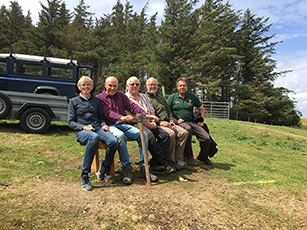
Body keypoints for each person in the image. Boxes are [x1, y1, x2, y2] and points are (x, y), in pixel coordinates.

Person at [96, 76, 158, 185]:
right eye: (110, 85)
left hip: (122, 124)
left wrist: (145, 115)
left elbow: (132, 106)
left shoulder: (120, 95)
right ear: (105, 85)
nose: (112, 88)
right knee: (120, 136)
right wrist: (122, 117)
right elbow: (108, 113)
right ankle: (127, 168)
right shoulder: (100, 98)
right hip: (110, 125)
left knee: (142, 135)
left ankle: (144, 168)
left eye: (115, 86)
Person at [68, 76, 118, 191]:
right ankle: (85, 175)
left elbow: (101, 117)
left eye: (88, 84)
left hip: (97, 127)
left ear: (92, 86)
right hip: (82, 130)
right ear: (79, 87)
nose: (86, 87)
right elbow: (70, 122)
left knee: (113, 141)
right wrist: (83, 127)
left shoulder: (97, 101)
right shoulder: (73, 101)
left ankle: (104, 168)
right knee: (94, 137)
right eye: (83, 85)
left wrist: (104, 124)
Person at [125, 76, 174, 174]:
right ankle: (164, 164)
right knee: (149, 136)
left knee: (165, 136)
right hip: (136, 123)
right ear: (127, 86)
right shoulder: (125, 98)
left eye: (137, 84)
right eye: (132, 84)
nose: (135, 86)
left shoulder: (144, 96)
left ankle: (155, 163)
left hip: (149, 122)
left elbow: (151, 110)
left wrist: (152, 121)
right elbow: (129, 115)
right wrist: (145, 123)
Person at [167, 77, 213, 165]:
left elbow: (201, 109)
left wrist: (201, 120)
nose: (182, 87)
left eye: (184, 85)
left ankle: (203, 157)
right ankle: (190, 157)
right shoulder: (172, 98)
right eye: (180, 85)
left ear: (187, 87)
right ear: (177, 87)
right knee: (187, 130)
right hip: (179, 124)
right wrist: (175, 121)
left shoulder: (192, 97)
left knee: (206, 138)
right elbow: (167, 111)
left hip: (192, 122)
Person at [145, 77, 189, 170]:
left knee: (184, 133)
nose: (153, 86)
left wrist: (172, 122)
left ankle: (176, 160)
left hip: (168, 122)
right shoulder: (145, 98)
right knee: (171, 134)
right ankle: (170, 160)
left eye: (155, 84)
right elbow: (148, 114)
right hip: (159, 124)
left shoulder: (161, 97)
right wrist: (160, 122)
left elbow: (169, 111)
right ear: (146, 86)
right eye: (151, 84)